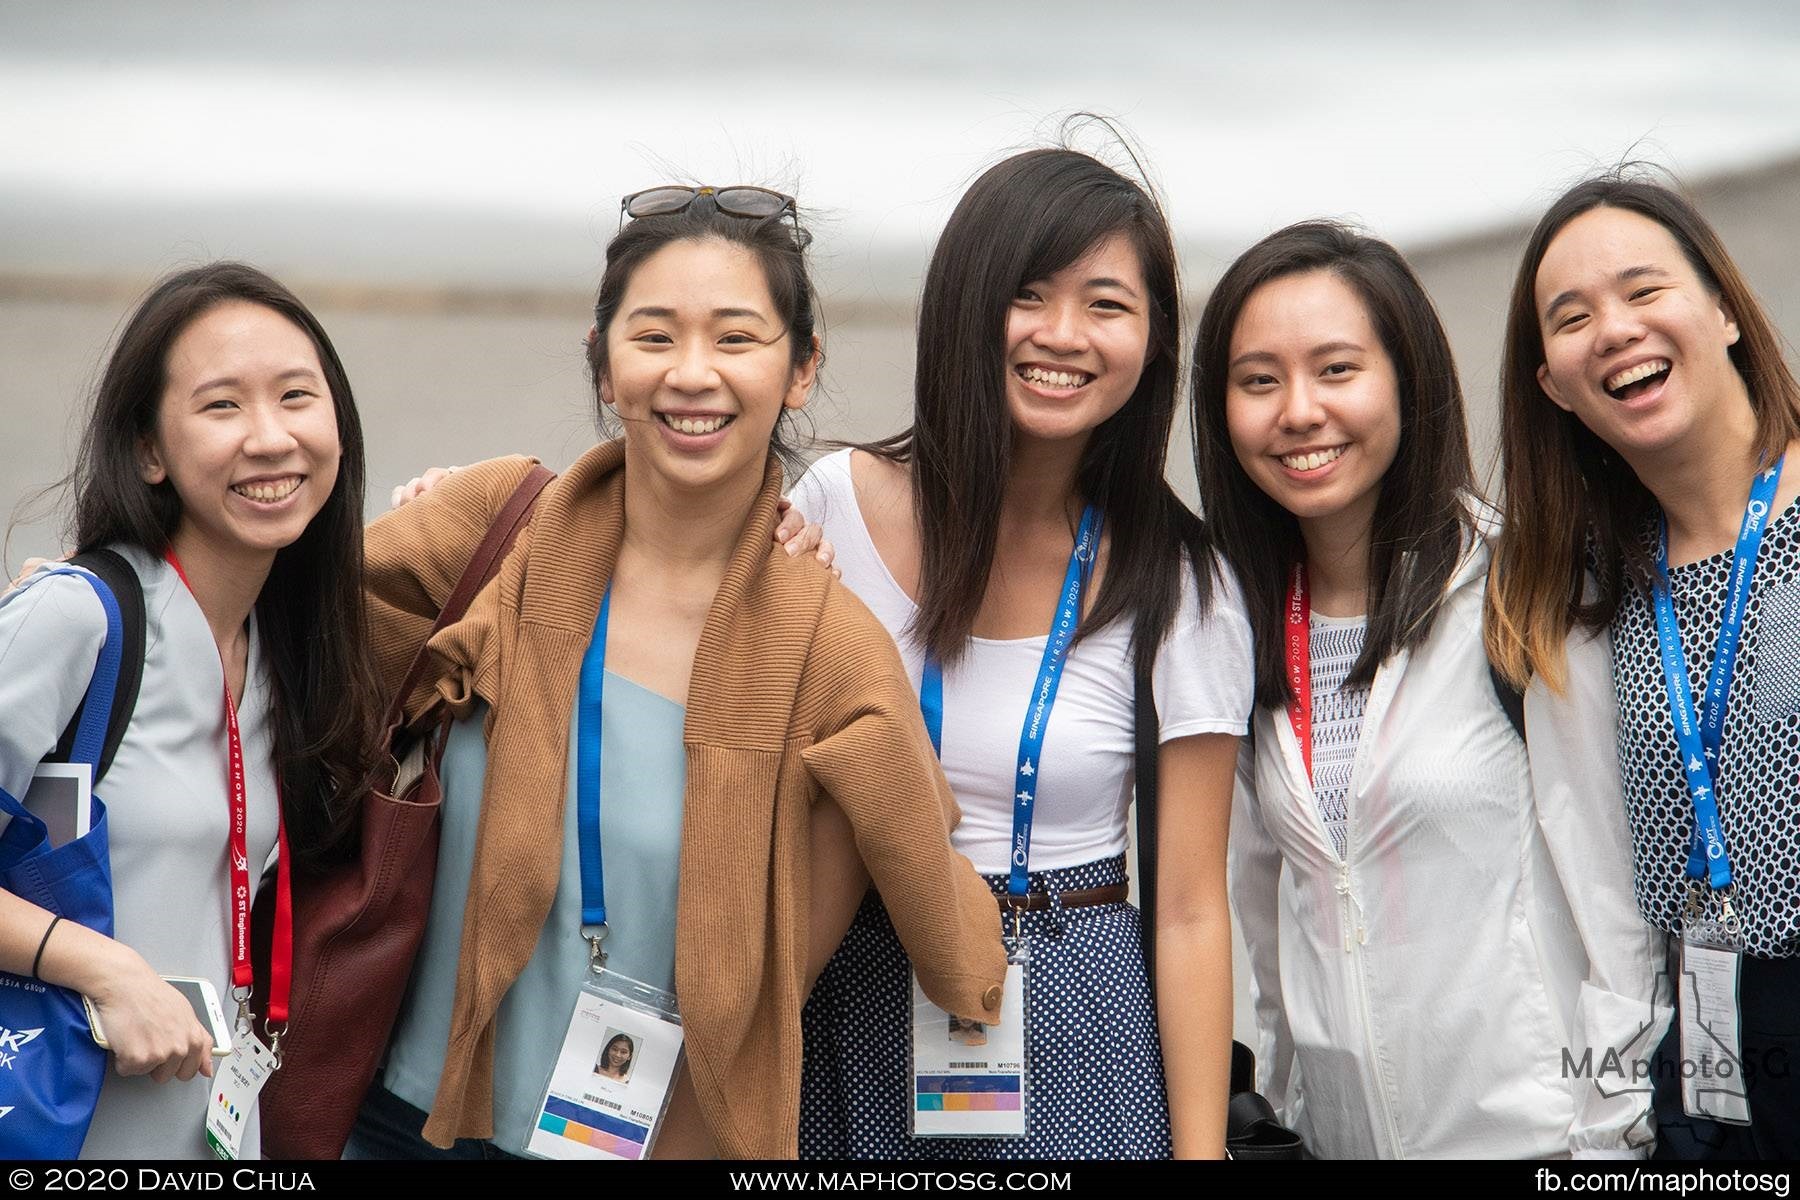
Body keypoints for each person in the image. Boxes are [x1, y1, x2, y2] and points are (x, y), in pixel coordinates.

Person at [346, 184, 1007, 1160]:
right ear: (604, 364)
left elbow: (917, 942)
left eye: (736, 338)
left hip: (643, 1143)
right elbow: (275, 645)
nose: (692, 374)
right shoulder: (497, 533)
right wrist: (91, 596)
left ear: (800, 367)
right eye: (654, 337)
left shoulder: (827, 658)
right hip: (394, 1114)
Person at [791, 148, 1249, 1160]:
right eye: (1028, 295)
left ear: (1153, 338)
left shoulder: (1184, 581)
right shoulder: (831, 509)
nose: (1063, 336)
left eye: (1106, 304)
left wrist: (1202, 1153)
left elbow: (1185, 911)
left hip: (1079, 999)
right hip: (856, 977)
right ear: (964, 303)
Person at [1194, 221, 1662, 1158]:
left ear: (1407, 383)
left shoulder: (1520, 587)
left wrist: (1611, 1137)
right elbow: (1269, 926)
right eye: (1259, 381)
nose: (1298, 412)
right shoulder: (1233, 623)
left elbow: (1616, 901)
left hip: (1536, 1140)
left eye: (1337, 370)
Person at [0, 262, 382, 1158]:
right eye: (221, 407)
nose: (270, 437)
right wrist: (103, 967)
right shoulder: (75, 618)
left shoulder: (285, 651)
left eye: (297, 397)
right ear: (148, 450)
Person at [1488, 173, 1800, 1160]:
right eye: (1572, 318)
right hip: (1697, 1045)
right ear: (1552, 384)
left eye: (1643, 290)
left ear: (1722, 308)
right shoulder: (1581, 599)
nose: (1614, 329)